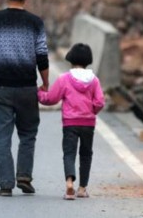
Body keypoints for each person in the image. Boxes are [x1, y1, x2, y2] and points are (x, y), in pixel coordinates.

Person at [0, 0, 49, 197]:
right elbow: (42, 55)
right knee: (28, 134)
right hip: (27, 87)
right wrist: (45, 82)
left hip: (0, 88)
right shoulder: (36, 22)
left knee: (2, 137)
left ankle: (6, 184)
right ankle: (24, 177)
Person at [37, 43, 105, 200]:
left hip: (70, 124)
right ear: (88, 61)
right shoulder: (94, 80)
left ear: (71, 60)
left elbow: (51, 99)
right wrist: (91, 111)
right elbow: (100, 102)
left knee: (69, 153)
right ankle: (82, 189)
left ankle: (69, 182)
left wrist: (39, 93)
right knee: (86, 154)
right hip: (88, 124)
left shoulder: (64, 79)